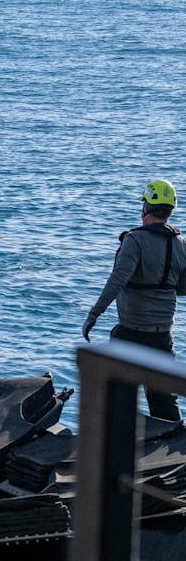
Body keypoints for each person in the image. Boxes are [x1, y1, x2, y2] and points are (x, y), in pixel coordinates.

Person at [84, 179, 186, 421]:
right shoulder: (181, 244)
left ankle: (112, 449)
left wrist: (94, 314)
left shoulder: (134, 240)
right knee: (163, 401)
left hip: (130, 333)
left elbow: (116, 281)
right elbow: (182, 288)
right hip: (162, 335)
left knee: (116, 397)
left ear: (146, 207)